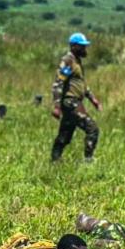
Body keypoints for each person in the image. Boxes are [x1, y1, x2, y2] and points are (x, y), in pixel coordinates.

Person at [50, 33, 101, 163]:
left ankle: (55, 160)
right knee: (92, 129)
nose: (85, 49)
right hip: (70, 102)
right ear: (73, 46)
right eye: (82, 46)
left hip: (75, 101)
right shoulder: (68, 61)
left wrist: (93, 99)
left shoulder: (77, 61)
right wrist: (56, 106)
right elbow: (58, 83)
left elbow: (81, 84)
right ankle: (88, 161)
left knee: (65, 135)